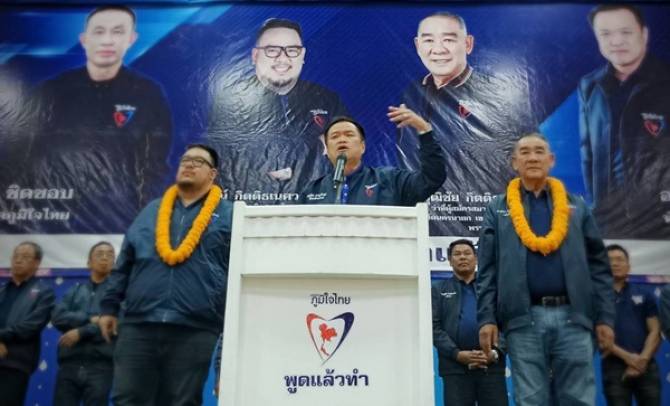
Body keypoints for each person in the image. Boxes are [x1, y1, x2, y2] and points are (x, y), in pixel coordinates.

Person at [476, 133, 615, 405]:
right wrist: (486, 318)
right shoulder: (498, 208)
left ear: (551, 160)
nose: (532, 158)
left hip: (574, 318)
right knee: (531, 399)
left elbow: (599, 266)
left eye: (539, 151)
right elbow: (487, 269)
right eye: (525, 152)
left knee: (578, 399)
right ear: (514, 162)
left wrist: (605, 318)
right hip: (522, 319)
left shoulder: (577, 206)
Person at [15, 5, 172, 233]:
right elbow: (24, 155)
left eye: (117, 32)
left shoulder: (148, 94)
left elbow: (156, 164)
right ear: (84, 39)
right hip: (55, 214)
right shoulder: (52, 91)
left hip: (119, 218)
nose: (107, 40)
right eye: (99, 31)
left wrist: (142, 214)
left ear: (131, 39)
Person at [98, 144, 233, 405]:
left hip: (196, 327)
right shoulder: (151, 211)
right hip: (139, 324)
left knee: (182, 401)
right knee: (128, 399)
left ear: (212, 174)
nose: (189, 164)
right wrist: (108, 307)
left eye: (198, 161)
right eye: (185, 159)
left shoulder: (229, 214)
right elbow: (125, 261)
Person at [398, 11, 537, 235]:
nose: (438, 49)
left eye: (448, 39)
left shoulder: (496, 94)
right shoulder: (412, 93)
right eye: (429, 40)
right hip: (426, 221)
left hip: (484, 219)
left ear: (468, 44)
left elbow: (523, 160)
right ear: (417, 45)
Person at [207, 18, 348, 204]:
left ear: (302, 55)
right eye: (272, 50)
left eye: (292, 50)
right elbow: (229, 160)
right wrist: (313, 147)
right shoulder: (230, 101)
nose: (283, 59)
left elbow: (344, 151)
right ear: (255, 56)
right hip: (250, 206)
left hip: (312, 208)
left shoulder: (327, 100)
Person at [579, 4, 670, 238]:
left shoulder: (665, 81)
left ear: (644, 34)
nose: (616, 41)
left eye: (626, 32)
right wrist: (596, 204)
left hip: (659, 220)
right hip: (608, 220)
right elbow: (588, 153)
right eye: (606, 34)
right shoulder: (590, 85)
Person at [300, 105, 445, 205]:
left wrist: (424, 130)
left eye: (349, 134)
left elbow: (431, 178)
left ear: (363, 147)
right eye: (335, 136)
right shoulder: (313, 190)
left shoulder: (390, 181)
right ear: (326, 149)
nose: (342, 139)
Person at [431, 239, 507, 406]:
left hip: (491, 367)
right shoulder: (437, 290)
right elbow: (433, 328)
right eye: (457, 254)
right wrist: (456, 354)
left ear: (476, 258)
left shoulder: (492, 289)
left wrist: (494, 353)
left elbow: (506, 323)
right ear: (449, 260)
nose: (462, 257)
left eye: (467, 253)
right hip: (455, 369)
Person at [51, 241, 117, 406]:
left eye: (110, 255)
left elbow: (113, 324)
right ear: (88, 262)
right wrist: (89, 319)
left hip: (101, 366)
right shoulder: (74, 291)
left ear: (114, 263)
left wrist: (80, 332)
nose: (105, 258)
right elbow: (57, 317)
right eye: (99, 254)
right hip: (69, 364)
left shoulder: (118, 293)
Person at [601, 244, 661, 406]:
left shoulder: (645, 293)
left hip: (646, 364)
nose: (615, 263)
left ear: (628, 266)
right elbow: (599, 335)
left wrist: (642, 360)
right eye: (610, 260)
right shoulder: (596, 297)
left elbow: (655, 330)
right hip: (613, 366)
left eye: (620, 259)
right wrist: (629, 358)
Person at [0, 242, 55, 406]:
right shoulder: (1, 290)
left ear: (37, 263)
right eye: (16, 256)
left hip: (15, 362)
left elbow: (31, 326)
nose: (18, 260)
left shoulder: (44, 292)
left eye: (25, 257)